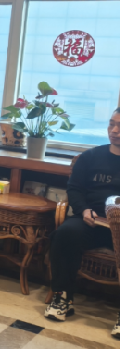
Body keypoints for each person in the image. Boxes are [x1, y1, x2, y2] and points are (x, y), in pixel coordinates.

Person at [45, 110, 120, 334]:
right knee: (65, 234)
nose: (115, 131)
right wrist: (84, 210)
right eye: (111, 124)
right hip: (91, 220)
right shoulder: (90, 157)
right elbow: (75, 189)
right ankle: (62, 297)